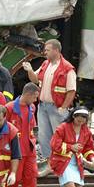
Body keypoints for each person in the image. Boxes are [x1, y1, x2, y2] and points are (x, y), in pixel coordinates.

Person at [22, 39, 76, 176]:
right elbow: (34, 79)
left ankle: (64, 166)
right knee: (44, 137)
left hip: (56, 108)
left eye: (47, 50)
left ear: (56, 50)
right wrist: (29, 70)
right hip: (44, 106)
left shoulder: (67, 69)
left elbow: (71, 91)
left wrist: (63, 108)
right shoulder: (45, 64)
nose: (45, 52)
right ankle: (51, 165)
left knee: (59, 138)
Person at [50, 106, 94, 187]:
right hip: (62, 161)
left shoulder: (86, 131)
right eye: (79, 118)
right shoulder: (63, 128)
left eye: (84, 119)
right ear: (74, 116)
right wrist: (71, 147)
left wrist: (92, 157)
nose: (81, 121)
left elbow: (88, 147)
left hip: (76, 163)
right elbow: (54, 145)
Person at [3, 83, 41, 187]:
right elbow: (2, 130)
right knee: (13, 180)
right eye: (35, 97)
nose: (36, 100)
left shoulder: (32, 107)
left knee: (30, 178)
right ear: (28, 94)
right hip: (15, 152)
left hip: (29, 151)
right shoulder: (10, 108)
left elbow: (32, 126)